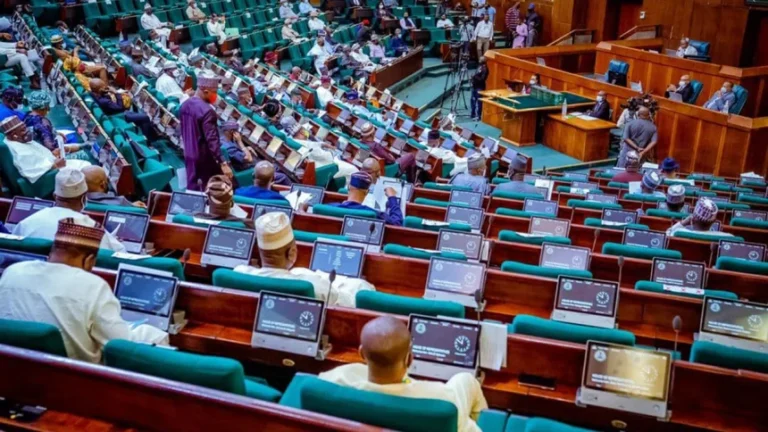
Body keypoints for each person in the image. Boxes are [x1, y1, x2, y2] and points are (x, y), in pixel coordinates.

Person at [0, 218, 168, 363]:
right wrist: (154, 334)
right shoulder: (92, 287)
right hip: (72, 379)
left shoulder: (13, 271)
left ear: (52, 251)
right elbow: (121, 345)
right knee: (156, 337)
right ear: (89, 260)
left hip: (11, 369)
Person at [319, 316, 487, 432]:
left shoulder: (332, 380)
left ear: (361, 353)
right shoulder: (443, 402)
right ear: (409, 359)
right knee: (465, 379)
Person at [235, 212, 375, 307]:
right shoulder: (314, 286)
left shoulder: (239, 273)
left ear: (259, 250)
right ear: (292, 253)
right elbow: (351, 302)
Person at [12, 168, 125, 251]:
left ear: (55, 196)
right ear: (84, 197)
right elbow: (120, 252)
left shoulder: (28, 222)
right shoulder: (93, 229)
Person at [180, 74, 231, 191]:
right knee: (210, 190)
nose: (216, 96)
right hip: (203, 159)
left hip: (188, 153)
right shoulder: (207, 111)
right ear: (206, 91)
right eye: (215, 92)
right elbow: (212, 140)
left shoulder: (184, 105)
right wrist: (223, 162)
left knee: (193, 187)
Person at [1, 116, 89, 184]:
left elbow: (37, 157)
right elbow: (33, 172)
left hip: (54, 161)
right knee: (86, 167)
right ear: (14, 135)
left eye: (25, 127)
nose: (27, 131)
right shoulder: (20, 153)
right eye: (23, 130)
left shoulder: (16, 140)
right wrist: (55, 165)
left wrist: (51, 155)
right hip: (50, 175)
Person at [89, 79, 156, 143]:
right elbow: (120, 108)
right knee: (145, 117)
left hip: (113, 112)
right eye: (104, 87)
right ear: (100, 89)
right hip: (118, 116)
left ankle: (151, 134)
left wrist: (105, 92)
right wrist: (116, 93)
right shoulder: (104, 101)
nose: (106, 87)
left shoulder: (92, 94)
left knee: (139, 116)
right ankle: (147, 140)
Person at [329, 172, 403, 226]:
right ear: (367, 192)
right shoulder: (373, 214)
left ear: (348, 187)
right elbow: (396, 223)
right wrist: (392, 198)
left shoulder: (329, 208)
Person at [666, 198, 733, 238]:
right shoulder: (727, 237)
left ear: (692, 218)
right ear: (713, 221)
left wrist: (684, 222)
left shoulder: (679, 232)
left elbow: (668, 233)